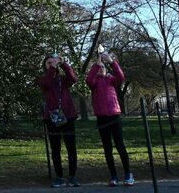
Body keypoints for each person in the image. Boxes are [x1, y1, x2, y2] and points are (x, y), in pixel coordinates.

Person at [86, 49, 134, 187]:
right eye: (98, 68)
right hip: (102, 118)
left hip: (115, 116)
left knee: (120, 146)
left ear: (106, 70)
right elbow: (89, 79)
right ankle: (113, 175)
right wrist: (97, 63)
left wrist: (111, 61)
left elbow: (121, 76)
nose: (101, 69)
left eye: (103, 68)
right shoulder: (93, 83)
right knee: (107, 148)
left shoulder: (112, 80)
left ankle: (128, 174)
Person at [36, 53, 79, 188]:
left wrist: (64, 63)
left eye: (53, 62)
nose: (51, 64)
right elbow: (47, 84)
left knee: (71, 147)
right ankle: (59, 176)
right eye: (48, 63)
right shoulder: (42, 79)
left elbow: (73, 79)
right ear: (45, 66)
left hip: (68, 115)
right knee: (55, 149)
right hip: (52, 117)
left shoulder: (63, 79)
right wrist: (52, 68)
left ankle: (72, 176)